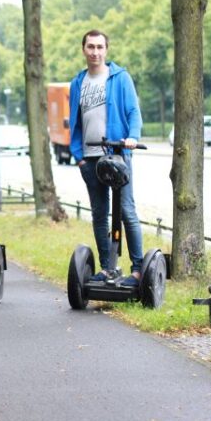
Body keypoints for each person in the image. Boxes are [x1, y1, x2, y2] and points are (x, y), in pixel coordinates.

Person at [69, 30, 144, 285]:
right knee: (99, 214)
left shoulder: (120, 78)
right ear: (84, 50)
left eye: (100, 47)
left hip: (118, 156)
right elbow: (76, 121)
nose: (95, 52)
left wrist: (132, 137)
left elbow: (134, 111)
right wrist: (77, 155)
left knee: (126, 211)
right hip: (89, 159)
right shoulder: (78, 82)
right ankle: (108, 268)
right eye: (91, 47)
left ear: (106, 50)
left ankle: (137, 270)